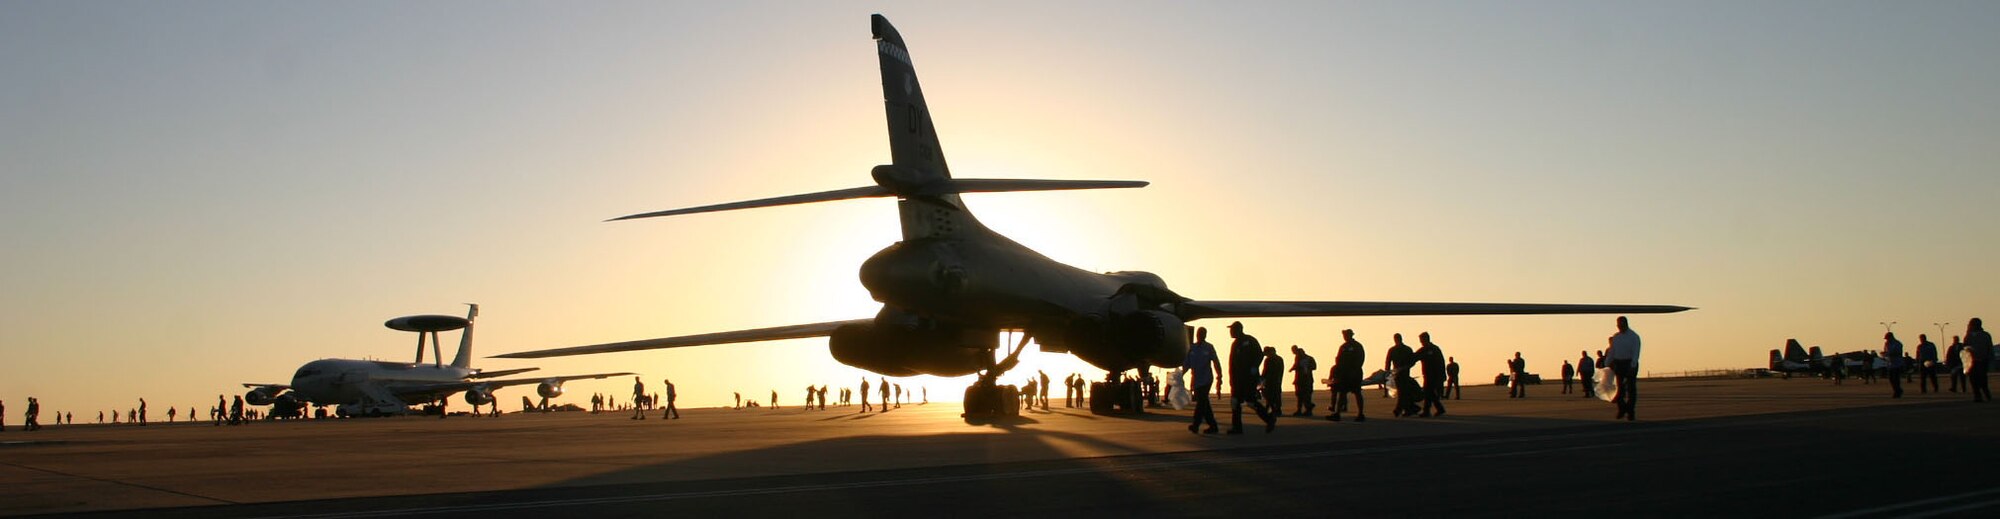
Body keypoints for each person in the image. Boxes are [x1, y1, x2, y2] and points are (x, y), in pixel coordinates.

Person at [1226, 322, 1278, 434]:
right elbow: (1232, 363)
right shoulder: (1235, 344)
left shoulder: (1250, 341)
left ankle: (1269, 419)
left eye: (1232, 330)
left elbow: (1260, 355)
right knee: (1235, 402)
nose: (1230, 332)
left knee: (1250, 402)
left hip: (1248, 378)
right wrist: (1231, 378)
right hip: (1237, 379)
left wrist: (1254, 367)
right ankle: (1237, 428)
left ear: (1238, 330)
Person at [1184, 327, 1222, 434]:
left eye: (1202, 333)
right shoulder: (1192, 348)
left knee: (1201, 402)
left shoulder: (1209, 347)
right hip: (1196, 380)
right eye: (1199, 333)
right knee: (1204, 403)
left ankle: (1196, 425)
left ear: (1205, 335)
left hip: (1206, 379)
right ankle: (1213, 426)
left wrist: (1219, 376)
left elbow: (1215, 361)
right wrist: (1180, 375)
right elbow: (1187, 364)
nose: (1200, 335)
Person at [1327, 329, 1366, 422]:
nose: (1345, 337)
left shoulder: (1357, 346)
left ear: (1350, 335)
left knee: (1357, 393)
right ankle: (1337, 414)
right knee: (1342, 393)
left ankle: (1360, 414)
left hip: (1355, 373)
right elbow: (1338, 360)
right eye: (1344, 335)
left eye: (1346, 335)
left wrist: (1354, 371)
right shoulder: (1343, 347)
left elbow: (1360, 359)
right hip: (1344, 373)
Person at [1609, 316, 1642, 420]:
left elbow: (1636, 352)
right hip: (1619, 363)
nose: (1620, 326)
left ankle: (1630, 411)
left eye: (1621, 324)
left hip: (1629, 363)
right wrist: (1607, 363)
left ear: (1626, 324)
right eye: (1618, 324)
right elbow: (1612, 351)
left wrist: (1633, 365)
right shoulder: (1616, 337)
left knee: (1631, 389)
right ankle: (1623, 408)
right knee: (1619, 389)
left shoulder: (1634, 337)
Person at [1386, 334, 1420, 417]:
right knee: (1403, 392)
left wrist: (1405, 367)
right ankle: (1411, 408)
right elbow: (1388, 362)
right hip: (1398, 373)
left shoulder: (1404, 349)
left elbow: (1412, 361)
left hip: (1403, 373)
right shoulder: (1395, 350)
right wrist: (1388, 372)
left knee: (1402, 393)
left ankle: (1399, 410)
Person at [1416, 333, 1448, 417]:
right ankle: (1439, 409)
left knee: (1428, 392)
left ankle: (1427, 411)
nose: (1421, 342)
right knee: (1430, 393)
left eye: (1422, 340)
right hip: (1428, 375)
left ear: (1426, 339)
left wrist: (1443, 376)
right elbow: (1414, 357)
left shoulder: (1434, 349)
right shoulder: (1424, 349)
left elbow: (1441, 362)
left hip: (1434, 375)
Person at [1966, 319, 1992, 403]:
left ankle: (1986, 394)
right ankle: (1977, 396)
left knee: (1982, 379)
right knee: (1973, 379)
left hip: (1982, 360)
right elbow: (1965, 348)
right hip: (1972, 361)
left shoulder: (1985, 335)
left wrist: (1989, 358)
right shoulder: (1968, 336)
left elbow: (1989, 348)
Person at [1290, 345, 1317, 416]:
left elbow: (1314, 367)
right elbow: (1295, 365)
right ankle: (1302, 409)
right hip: (1301, 379)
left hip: (1305, 379)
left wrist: (1304, 367)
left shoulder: (1308, 358)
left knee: (1305, 395)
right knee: (1300, 395)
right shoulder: (1299, 358)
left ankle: (1308, 409)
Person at [1261, 346, 1285, 419]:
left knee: (1269, 395)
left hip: (1271, 380)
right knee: (1275, 395)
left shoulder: (1269, 359)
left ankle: (1274, 409)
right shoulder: (1279, 359)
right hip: (1277, 380)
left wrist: (1262, 378)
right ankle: (1275, 409)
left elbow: (1266, 371)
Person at [1883, 332, 1905, 398]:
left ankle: (1897, 392)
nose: (1887, 340)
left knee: (1896, 379)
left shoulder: (1898, 343)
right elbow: (1886, 352)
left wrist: (1889, 354)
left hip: (1897, 363)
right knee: (1891, 379)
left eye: (1887, 338)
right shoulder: (1886, 344)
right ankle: (1898, 390)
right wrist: (1884, 354)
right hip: (1890, 363)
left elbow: (1898, 353)